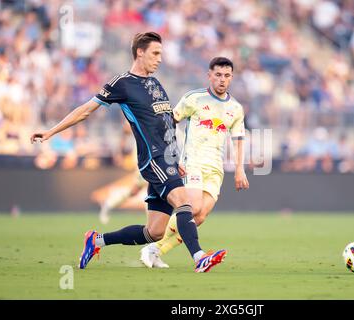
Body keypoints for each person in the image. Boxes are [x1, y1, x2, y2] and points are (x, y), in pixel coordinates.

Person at [30, 32, 226, 273]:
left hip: (168, 161)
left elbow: (166, 123)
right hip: (153, 160)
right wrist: (51, 131)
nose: (160, 59)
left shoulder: (155, 83)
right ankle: (199, 257)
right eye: (155, 53)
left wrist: (176, 158)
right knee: (185, 203)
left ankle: (96, 240)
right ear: (140, 52)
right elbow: (85, 110)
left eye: (161, 54)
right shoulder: (121, 83)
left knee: (154, 232)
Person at [140, 57, 249, 268]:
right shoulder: (194, 98)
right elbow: (169, 123)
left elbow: (239, 140)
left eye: (227, 76)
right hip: (193, 161)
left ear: (231, 78)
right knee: (192, 207)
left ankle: (155, 249)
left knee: (200, 217)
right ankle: (186, 254)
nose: (222, 80)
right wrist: (170, 155)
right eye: (218, 75)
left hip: (215, 168)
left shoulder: (235, 108)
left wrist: (239, 170)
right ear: (209, 75)